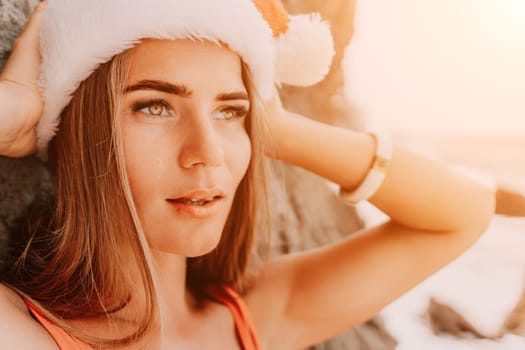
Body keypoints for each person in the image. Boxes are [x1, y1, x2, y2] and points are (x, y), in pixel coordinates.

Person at [0, 0, 495, 349]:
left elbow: (464, 212)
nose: (207, 154)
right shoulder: (24, 333)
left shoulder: (256, 319)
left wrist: (275, 128)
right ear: (75, 129)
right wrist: (18, 112)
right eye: (154, 107)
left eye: (229, 111)